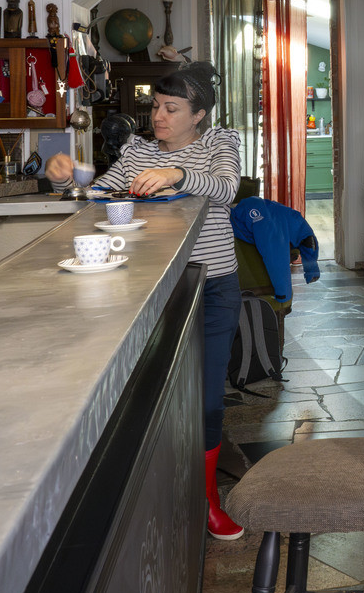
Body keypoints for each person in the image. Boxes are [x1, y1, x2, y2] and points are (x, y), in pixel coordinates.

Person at [45, 60, 246, 541]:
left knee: (208, 396)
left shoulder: (222, 143)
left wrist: (176, 171)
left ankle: (207, 499)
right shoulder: (137, 151)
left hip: (213, 285)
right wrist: (63, 178)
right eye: (156, 106)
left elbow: (226, 189)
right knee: (155, 395)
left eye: (171, 109)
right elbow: (97, 195)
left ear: (198, 116)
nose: (158, 116)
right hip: (155, 288)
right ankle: (165, 494)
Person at [230, 196, 321, 309]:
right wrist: (283, 295)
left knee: (303, 241)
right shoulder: (274, 230)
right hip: (256, 215)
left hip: (251, 209)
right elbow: (276, 259)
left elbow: (309, 243)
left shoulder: (292, 224)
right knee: (276, 255)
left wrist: (312, 270)